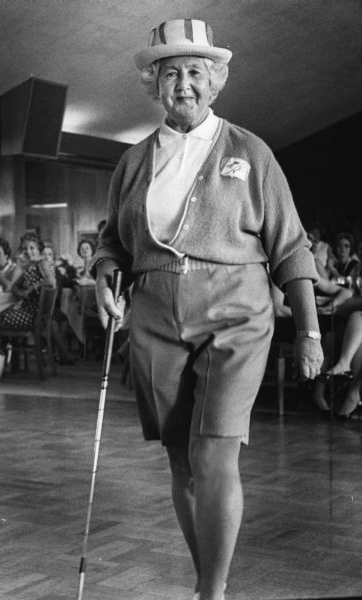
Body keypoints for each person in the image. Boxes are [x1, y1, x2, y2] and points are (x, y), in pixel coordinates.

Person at [92, 19, 323, 600]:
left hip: (236, 315)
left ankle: (212, 593)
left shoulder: (250, 150)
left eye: (196, 72)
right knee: (181, 460)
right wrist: (103, 275)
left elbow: (291, 247)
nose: (184, 84)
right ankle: (206, 581)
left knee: (213, 451)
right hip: (153, 319)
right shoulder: (135, 160)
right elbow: (113, 240)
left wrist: (313, 333)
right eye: (171, 73)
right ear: (154, 85)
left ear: (216, 82)